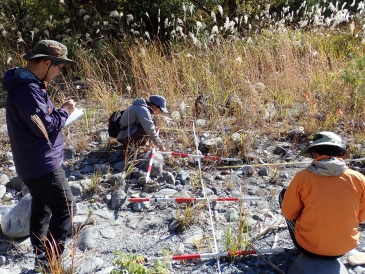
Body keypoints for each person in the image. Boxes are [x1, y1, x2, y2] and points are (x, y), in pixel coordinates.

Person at [2, 40, 77, 272]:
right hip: (42, 164)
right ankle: (50, 264)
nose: (59, 72)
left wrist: (57, 113)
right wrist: (65, 111)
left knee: (41, 208)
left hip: (31, 163)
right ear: (46, 63)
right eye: (59, 67)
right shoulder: (28, 89)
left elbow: (39, 120)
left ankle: (41, 260)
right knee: (66, 208)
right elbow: (44, 126)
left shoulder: (28, 85)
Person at [279, 131, 365, 259]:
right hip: (345, 248)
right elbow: (360, 217)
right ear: (340, 153)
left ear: (314, 153)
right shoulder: (359, 178)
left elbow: (288, 213)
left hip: (308, 248)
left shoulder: (302, 177)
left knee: (284, 194)